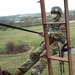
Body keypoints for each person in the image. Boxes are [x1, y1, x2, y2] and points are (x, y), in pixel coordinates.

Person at [1, 6, 66, 75]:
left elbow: (61, 35)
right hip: (49, 40)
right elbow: (47, 33)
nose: (53, 14)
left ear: (59, 14)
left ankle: (35, 72)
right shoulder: (50, 24)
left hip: (58, 42)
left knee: (45, 54)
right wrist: (44, 34)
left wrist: (49, 34)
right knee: (34, 54)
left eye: (55, 13)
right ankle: (17, 73)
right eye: (52, 13)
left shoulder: (63, 22)